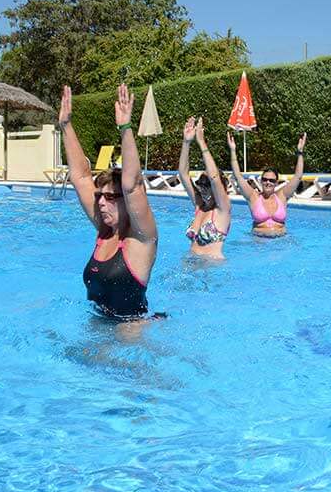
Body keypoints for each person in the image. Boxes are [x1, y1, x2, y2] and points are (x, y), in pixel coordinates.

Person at [59, 84, 158, 319]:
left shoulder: (141, 238)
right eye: (99, 197)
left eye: (111, 197)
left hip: (131, 333)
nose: (101, 203)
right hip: (98, 325)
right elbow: (81, 177)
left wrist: (125, 128)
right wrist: (65, 126)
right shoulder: (104, 231)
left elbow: (132, 185)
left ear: (127, 203)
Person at [228, 131, 306, 237]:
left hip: (281, 242)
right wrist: (233, 150)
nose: (267, 182)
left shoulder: (282, 196)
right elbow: (237, 176)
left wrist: (300, 152)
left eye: (271, 180)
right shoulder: (253, 197)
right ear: (261, 181)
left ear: (276, 183)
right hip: (259, 243)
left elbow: (298, 176)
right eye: (264, 179)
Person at [177, 116, 231, 259]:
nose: (203, 188)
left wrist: (201, 142)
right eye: (201, 183)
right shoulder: (199, 206)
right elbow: (182, 174)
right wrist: (186, 142)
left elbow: (214, 178)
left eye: (207, 184)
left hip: (212, 270)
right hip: (190, 265)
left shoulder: (223, 209)